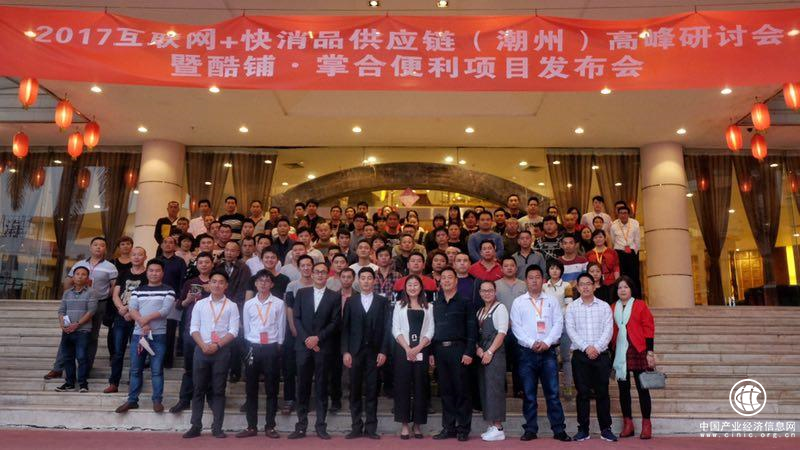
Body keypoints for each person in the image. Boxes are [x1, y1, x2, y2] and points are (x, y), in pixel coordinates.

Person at [510, 265, 571, 442]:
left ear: (542, 280)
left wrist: (547, 342)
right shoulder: (518, 302)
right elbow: (516, 327)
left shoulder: (551, 300)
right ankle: (530, 429)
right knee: (529, 395)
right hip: (526, 353)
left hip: (548, 352)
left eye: (537, 277)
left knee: (552, 394)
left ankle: (559, 429)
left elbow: (558, 323)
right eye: (531, 277)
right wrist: (531, 343)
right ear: (526, 281)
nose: (534, 280)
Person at [45, 237, 119, 381]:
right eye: (95, 245)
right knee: (68, 334)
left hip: (99, 304)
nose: (98, 247)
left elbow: (114, 287)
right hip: (76, 303)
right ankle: (58, 368)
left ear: (105, 249)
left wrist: (103, 297)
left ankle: (85, 369)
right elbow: (68, 281)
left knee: (92, 337)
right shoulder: (79, 264)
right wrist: (70, 296)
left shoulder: (110, 267)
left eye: (102, 245)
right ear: (90, 247)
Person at [183, 271, 241, 439]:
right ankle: (195, 426)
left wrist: (217, 345)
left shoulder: (231, 306)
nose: (217, 285)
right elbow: (194, 328)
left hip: (221, 351)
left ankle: (217, 427)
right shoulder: (200, 304)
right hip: (201, 349)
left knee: (218, 390)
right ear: (209, 284)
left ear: (226, 285)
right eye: (214, 281)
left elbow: (234, 331)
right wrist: (203, 345)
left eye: (221, 282)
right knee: (198, 389)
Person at [289, 262, 342, 440]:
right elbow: (296, 317)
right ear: (311, 274)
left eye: (323, 272)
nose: (320, 275)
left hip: (323, 346)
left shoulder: (334, 296)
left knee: (321, 386)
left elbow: (335, 322)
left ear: (328, 275)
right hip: (303, 346)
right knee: (302, 386)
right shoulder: (302, 293)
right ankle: (301, 426)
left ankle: (321, 426)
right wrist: (307, 339)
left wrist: (317, 338)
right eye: (317, 272)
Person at [115, 259, 176, 414]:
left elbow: (164, 311)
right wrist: (142, 324)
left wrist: (145, 320)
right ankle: (132, 400)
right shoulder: (138, 291)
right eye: (151, 270)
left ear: (162, 273)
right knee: (135, 369)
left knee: (157, 370)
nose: (154, 273)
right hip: (138, 335)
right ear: (147, 272)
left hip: (158, 336)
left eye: (157, 271)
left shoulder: (168, 290)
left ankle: (157, 401)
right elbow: (132, 309)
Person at [565, 272, 616, 442]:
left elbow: (608, 330)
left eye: (589, 283)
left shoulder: (604, 306)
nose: (586, 287)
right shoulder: (572, 307)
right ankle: (583, 429)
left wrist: (596, 348)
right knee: (582, 394)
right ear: (578, 288)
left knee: (603, 393)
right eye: (582, 284)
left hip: (601, 355)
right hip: (580, 355)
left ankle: (606, 429)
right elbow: (571, 330)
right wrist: (587, 348)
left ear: (594, 286)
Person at [236, 270, 286, 439]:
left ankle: (270, 426)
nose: (263, 283)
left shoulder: (279, 303)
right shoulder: (249, 304)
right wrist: (249, 344)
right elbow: (246, 326)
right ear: (255, 284)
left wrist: (279, 345)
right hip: (253, 346)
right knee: (251, 388)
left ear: (272, 284)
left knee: (272, 389)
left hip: (271, 347)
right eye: (260, 281)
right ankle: (251, 426)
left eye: (267, 281)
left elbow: (281, 325)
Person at [341, 268, 390, 439]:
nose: (367, 281)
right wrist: (345, 351)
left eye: (370, 278)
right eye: (363, 278)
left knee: (372, 389)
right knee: (354, 390)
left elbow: (387, 328)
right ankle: (356, 427)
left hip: (374, 352)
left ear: (374, 281)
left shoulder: (382, 301)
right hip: (355, 352)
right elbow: (345, 329)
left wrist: (384, 351)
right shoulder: (351, 301)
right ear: (358, 281)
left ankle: (370, 428)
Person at [431, 268, 477, 442]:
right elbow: (431, 330)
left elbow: (472, 329)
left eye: (450, 277)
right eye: (443, 278)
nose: (446, 280)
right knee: (446, 391)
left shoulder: (466, 302)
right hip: (440, 351)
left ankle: (463, 428)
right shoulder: (435, 304)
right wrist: (432, 353)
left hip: (459, 350)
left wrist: (469, 351)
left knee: (462, 390)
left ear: (456, 281)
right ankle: (448, 427)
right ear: (440, 282)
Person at [612, 276, 656, 440]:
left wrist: (650, 352)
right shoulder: (612, 307)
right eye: (619, 287)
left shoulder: (640, 305)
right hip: (620, 351)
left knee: (642, 389)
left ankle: (646, 425)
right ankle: (628, 424)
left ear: (631, 289)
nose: (622, 290)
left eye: (626, 287)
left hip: (638, 349)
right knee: (623, 391)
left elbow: (648, 327)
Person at [170, 251, 214, 413]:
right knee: (189, 367)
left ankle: (212, 400)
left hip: (211, 330)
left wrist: (212, 289)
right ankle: (184, 399)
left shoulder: (217, 281)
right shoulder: (190, 282)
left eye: (207, 262)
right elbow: (179, 305)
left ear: (212, 264)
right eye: (200, 262)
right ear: (196, 264)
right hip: (191, 328)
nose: (204, 265)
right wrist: (188, 299)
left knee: (210, 366)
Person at [392, 275, 434, 439]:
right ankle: (404, 424)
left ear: (421, 287)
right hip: (403, 351)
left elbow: (430, 330)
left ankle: (417, 424)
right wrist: (408, 348)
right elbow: (396, 329)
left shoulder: (429, 307)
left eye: (416, 284)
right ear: (405, 288)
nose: (412, 287)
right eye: (409, 285)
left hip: (421, 351)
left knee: (420, 387)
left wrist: (418, 348)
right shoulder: (399, 305)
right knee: (402, 386)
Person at [105, 246, 148, 394]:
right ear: (130, 257)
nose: (136, 257)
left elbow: (147, 297)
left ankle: (134, 382)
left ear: (145, 257)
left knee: (137, 352)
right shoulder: (123, 273)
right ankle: (113, 383)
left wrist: (131, 311)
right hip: (121, 317)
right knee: (118, 352)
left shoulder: (148, 274)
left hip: (139, 318)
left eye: (140, 254)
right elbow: (115, 294)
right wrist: (121, 308)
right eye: (134, 254)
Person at [474, 281, 508, 442]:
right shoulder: (480, 311)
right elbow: (476, 333)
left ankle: (499, 427)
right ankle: (491, 424)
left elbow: (502, 333)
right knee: (485, 389)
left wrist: (489, 351)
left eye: (490, 290)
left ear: (495, 292)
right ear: (480, 293)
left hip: (495, 354)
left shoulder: (500, 308)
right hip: (482, 354)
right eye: (484, 291)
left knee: (495, 389)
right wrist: (478, 349)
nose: (487, 293)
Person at [55, 266, 97, 393]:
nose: (80, 276)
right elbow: (61, 310)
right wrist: (62, 324)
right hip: (67, 331)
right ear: (73, 277)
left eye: (83, 274)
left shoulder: (91, 292)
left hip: (83, 331)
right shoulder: (67, 293)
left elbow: (91, 311)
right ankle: (69, 383)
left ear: (88, 278)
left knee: (81, 357)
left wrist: (77, 324)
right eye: (77, 274)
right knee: (68, 357)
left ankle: (83, 384)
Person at [493, 257, 526, 397]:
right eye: (506, 266)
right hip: (500, 329)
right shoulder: (495, 285)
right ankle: (502, 388)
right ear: (501, 269)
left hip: (520, 328)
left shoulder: (523, 285)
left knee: (519, 359)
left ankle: (519, 389)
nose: (509, 268)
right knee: (501, 360)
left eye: (512, 265)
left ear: (516, 268)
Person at [158, 235, 187, 369]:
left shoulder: (180, 262)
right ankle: (155, 359)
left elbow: (183, 281)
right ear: (161, 245)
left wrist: (180, 298)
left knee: (170, 331)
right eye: (165, 242)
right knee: (156, 331)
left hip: (173, 300)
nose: (168, 244)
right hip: (156, 299)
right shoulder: (156, 261)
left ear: (175, 246)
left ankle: (168, 361)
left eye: (171, 242)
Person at [610, 205, 642, 296]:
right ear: (618, 214)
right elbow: (613, 240)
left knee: (634, 277)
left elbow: (637, 239)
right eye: (621, 213)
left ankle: (636, 298)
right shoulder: (614, 225)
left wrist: (634, 252)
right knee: (621, 276)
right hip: (619, 253)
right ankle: (621, 296)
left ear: (628, 214)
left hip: (632, 253)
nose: (623, 215)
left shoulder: (635, 223)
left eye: (625, 213)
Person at [586, 229, 620, 300]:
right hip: (595, 284)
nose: (598, 239)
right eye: (595, 237)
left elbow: (616, 267)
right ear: (593, 239)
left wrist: (617, 282)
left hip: (611, 282)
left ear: (605, 238)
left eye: (600, 237)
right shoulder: (588, 254)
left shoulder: (612, 252)